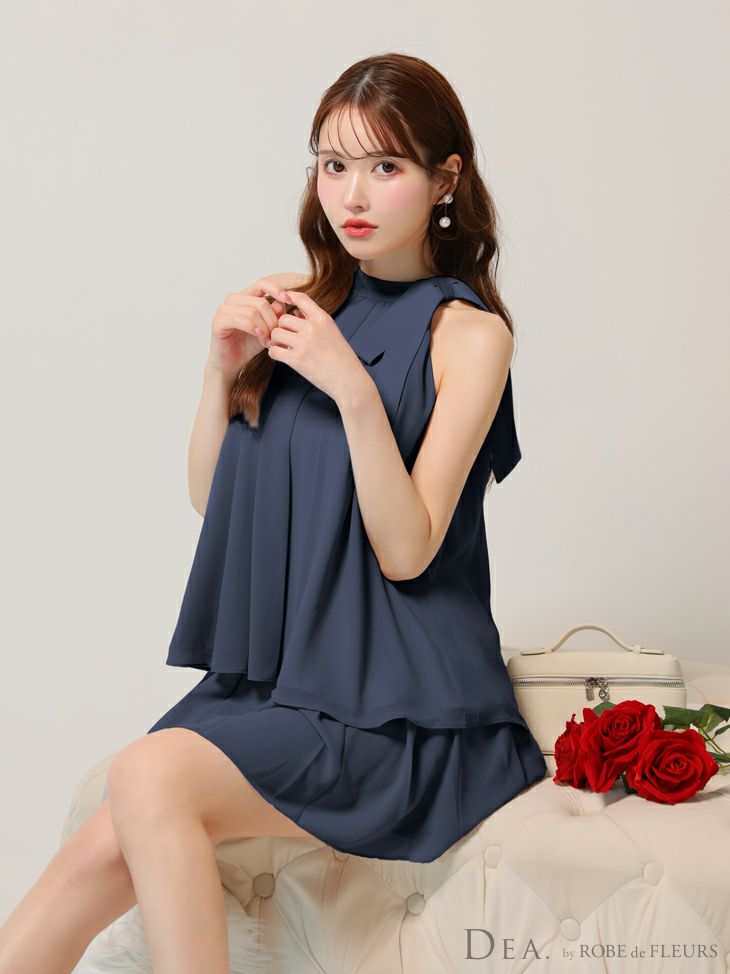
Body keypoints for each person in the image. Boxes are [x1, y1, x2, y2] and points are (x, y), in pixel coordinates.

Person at [0, 52, 547, 974]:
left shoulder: (470, 336)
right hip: (286, 684)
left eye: (385, 165)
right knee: (96, 850)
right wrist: (218, 372)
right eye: (333, 164)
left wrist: (352, 389)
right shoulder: (296, 303)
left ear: (445, 178)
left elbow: (408, 550)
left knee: (145, 774)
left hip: (403, 713)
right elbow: (213, 500)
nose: (352, 195)